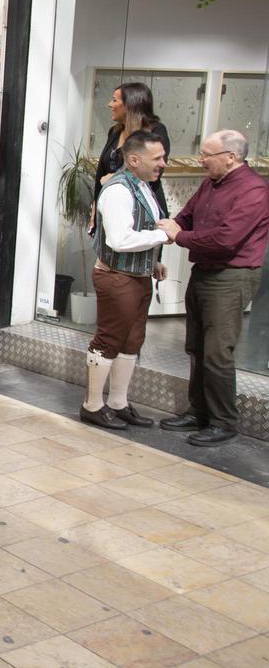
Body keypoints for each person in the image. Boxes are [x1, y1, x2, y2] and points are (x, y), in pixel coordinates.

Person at [157, 130, 269, 446]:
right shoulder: (211, 183)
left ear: (231, 157)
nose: (201, 160)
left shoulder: (254, 191)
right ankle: (199, 411)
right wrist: (174, 227)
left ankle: (224, 421)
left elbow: (226, 240)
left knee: (217, 352)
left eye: (207, 154)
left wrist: (179, 236)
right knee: (196, 346)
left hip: (231, 277)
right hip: (204, 272)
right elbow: (187, 216)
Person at [78, 131, 169, 431]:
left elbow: (141, 227)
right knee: (109, 341)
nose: (163, 164)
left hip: (138, 276)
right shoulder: (118, 189)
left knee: (132, 341)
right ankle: (92, 405)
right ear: (133, 159)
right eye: (157, 158)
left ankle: (118, 402)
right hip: (117, 277)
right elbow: (119, 239)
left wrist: (153, 261)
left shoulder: (143, 186)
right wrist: (164, 234)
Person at [93, 82, 171, 223]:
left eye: (115, 100)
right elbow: (102, 172)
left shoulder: (156, 131)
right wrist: (95, 207)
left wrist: (116, 178)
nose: (110, 104)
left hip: (142, 212)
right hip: (112, 209)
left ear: (130, 105)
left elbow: (153, 172)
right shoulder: (115, 131)